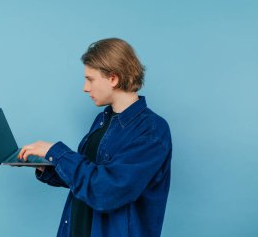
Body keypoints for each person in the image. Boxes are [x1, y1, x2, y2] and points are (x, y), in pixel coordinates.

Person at [17, 38, 172, 237]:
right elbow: (88, 179)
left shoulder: (151, 130)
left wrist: (56, 152)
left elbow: (107, 191)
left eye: (90, 79)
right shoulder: (102, 120)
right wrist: (47, 166)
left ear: (113, 79)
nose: (85, 88)